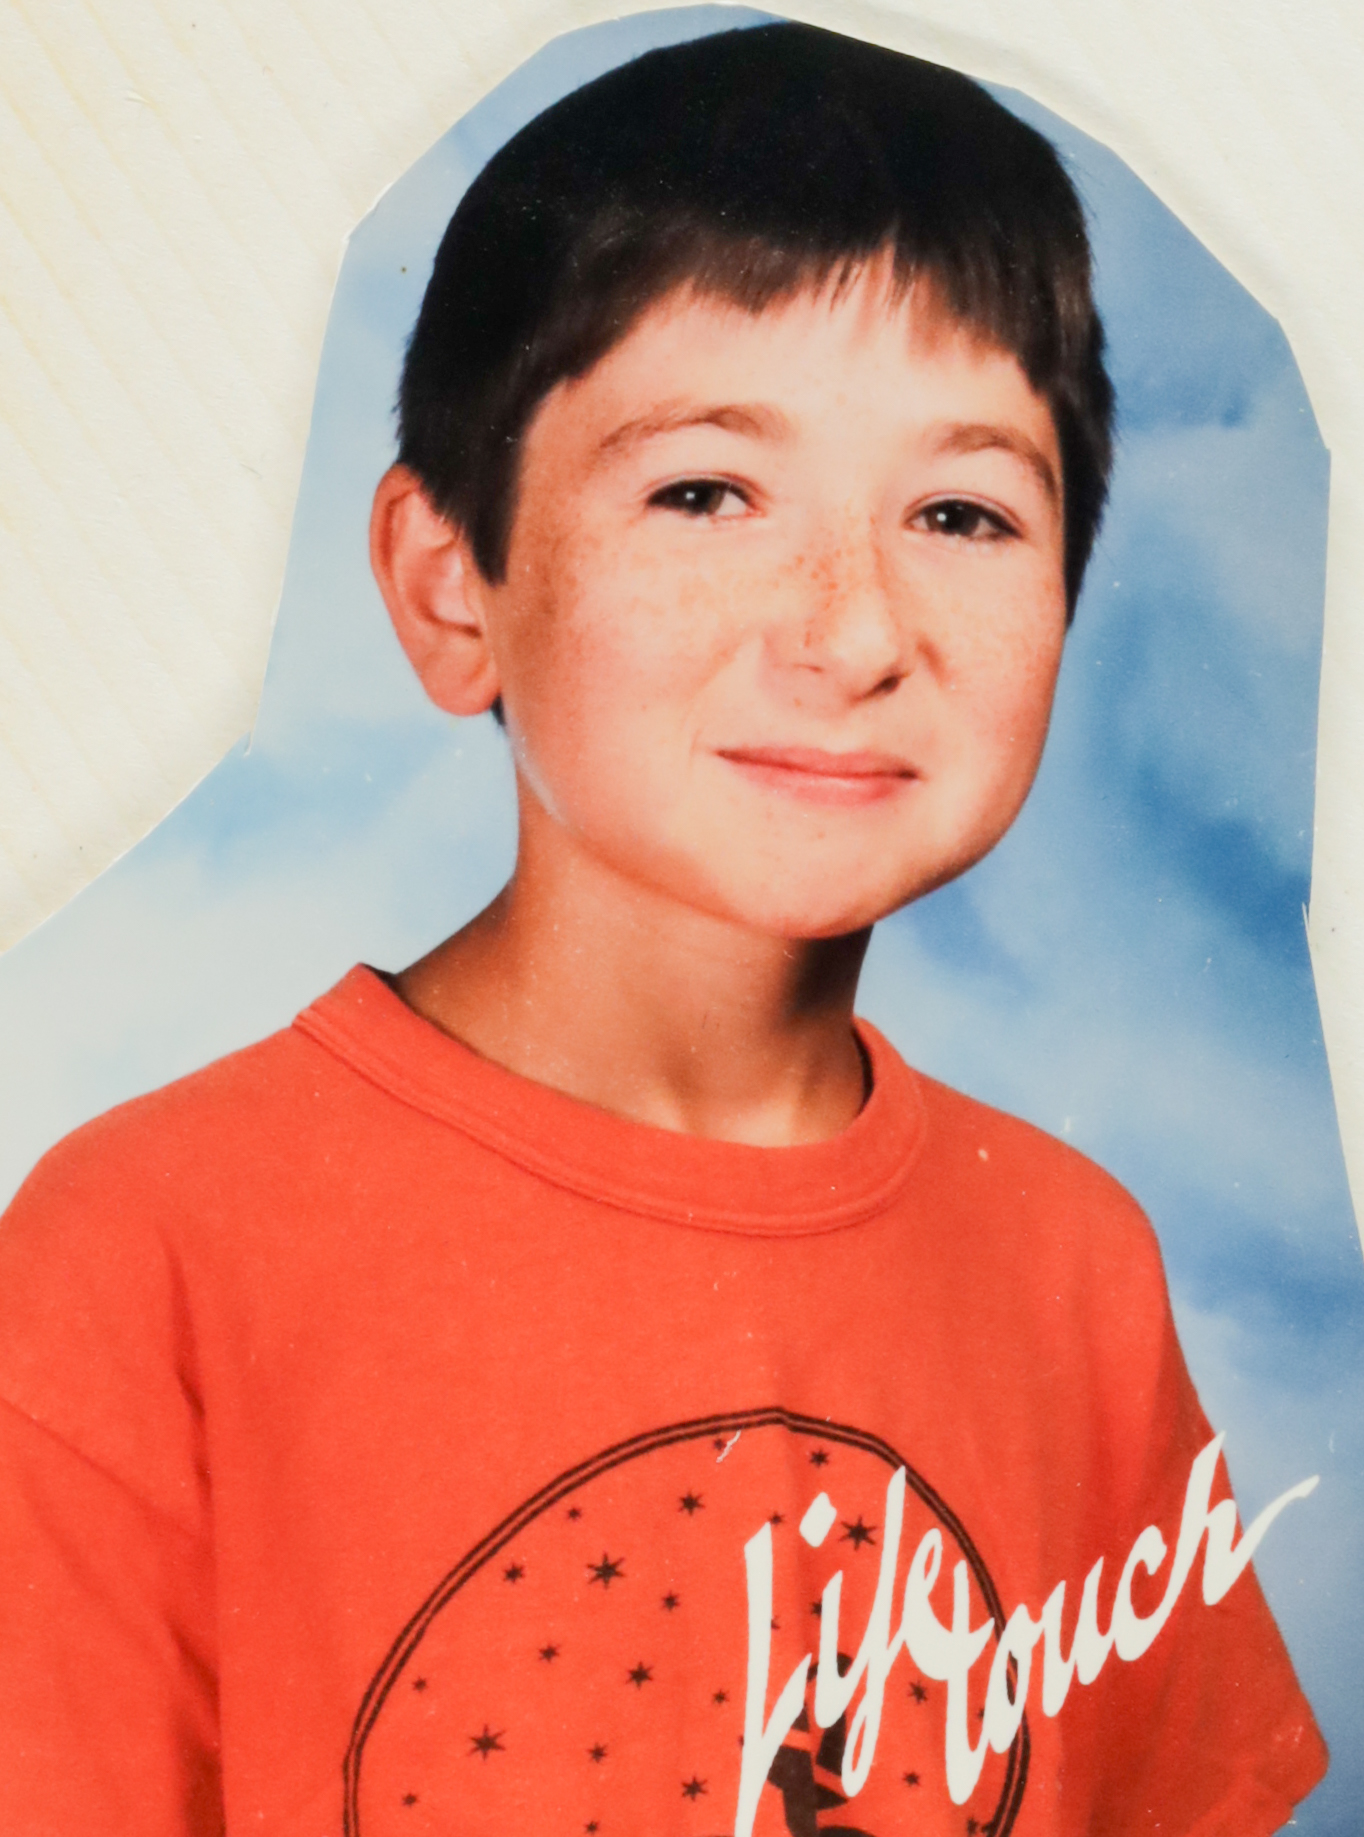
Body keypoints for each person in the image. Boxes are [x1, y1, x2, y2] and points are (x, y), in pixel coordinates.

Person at [0, 21, 1328, 1837]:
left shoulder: (1074, 1266)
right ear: (448, 582)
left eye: (960, 512)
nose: (852, 629)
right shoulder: (142, 1251)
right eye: (706, 491)